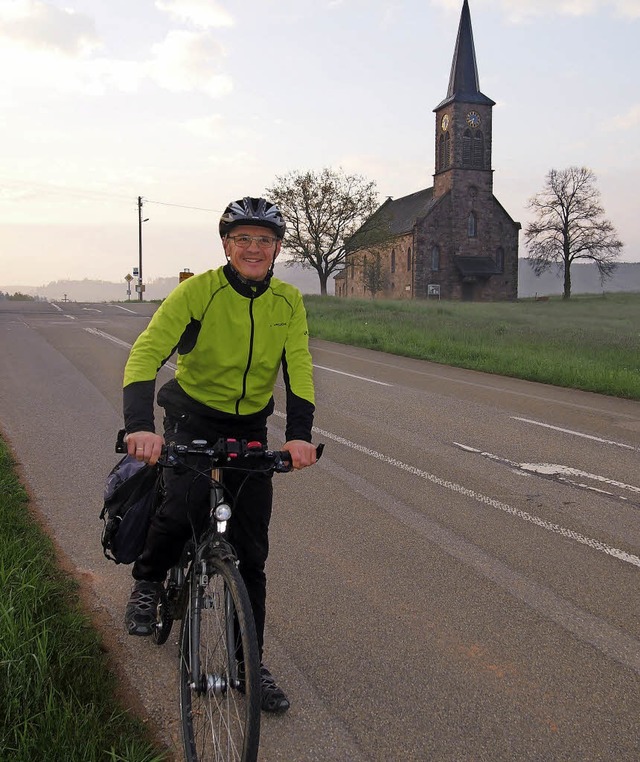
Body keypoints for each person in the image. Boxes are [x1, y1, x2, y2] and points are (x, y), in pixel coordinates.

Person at [121, 196, 317, 713]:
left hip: (250, 422)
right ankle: (147, 581)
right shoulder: (198, 293)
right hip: (193, 415)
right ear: (226, 245)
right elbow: (147, 352)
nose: (254, 248)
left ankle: (247, 662)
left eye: (264, 240)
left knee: (251, 552)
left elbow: (298, 367)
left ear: (277, 249)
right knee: (183, 506)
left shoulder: (287, 301)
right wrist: (140, 427)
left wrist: (298, 434)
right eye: (243, 239)